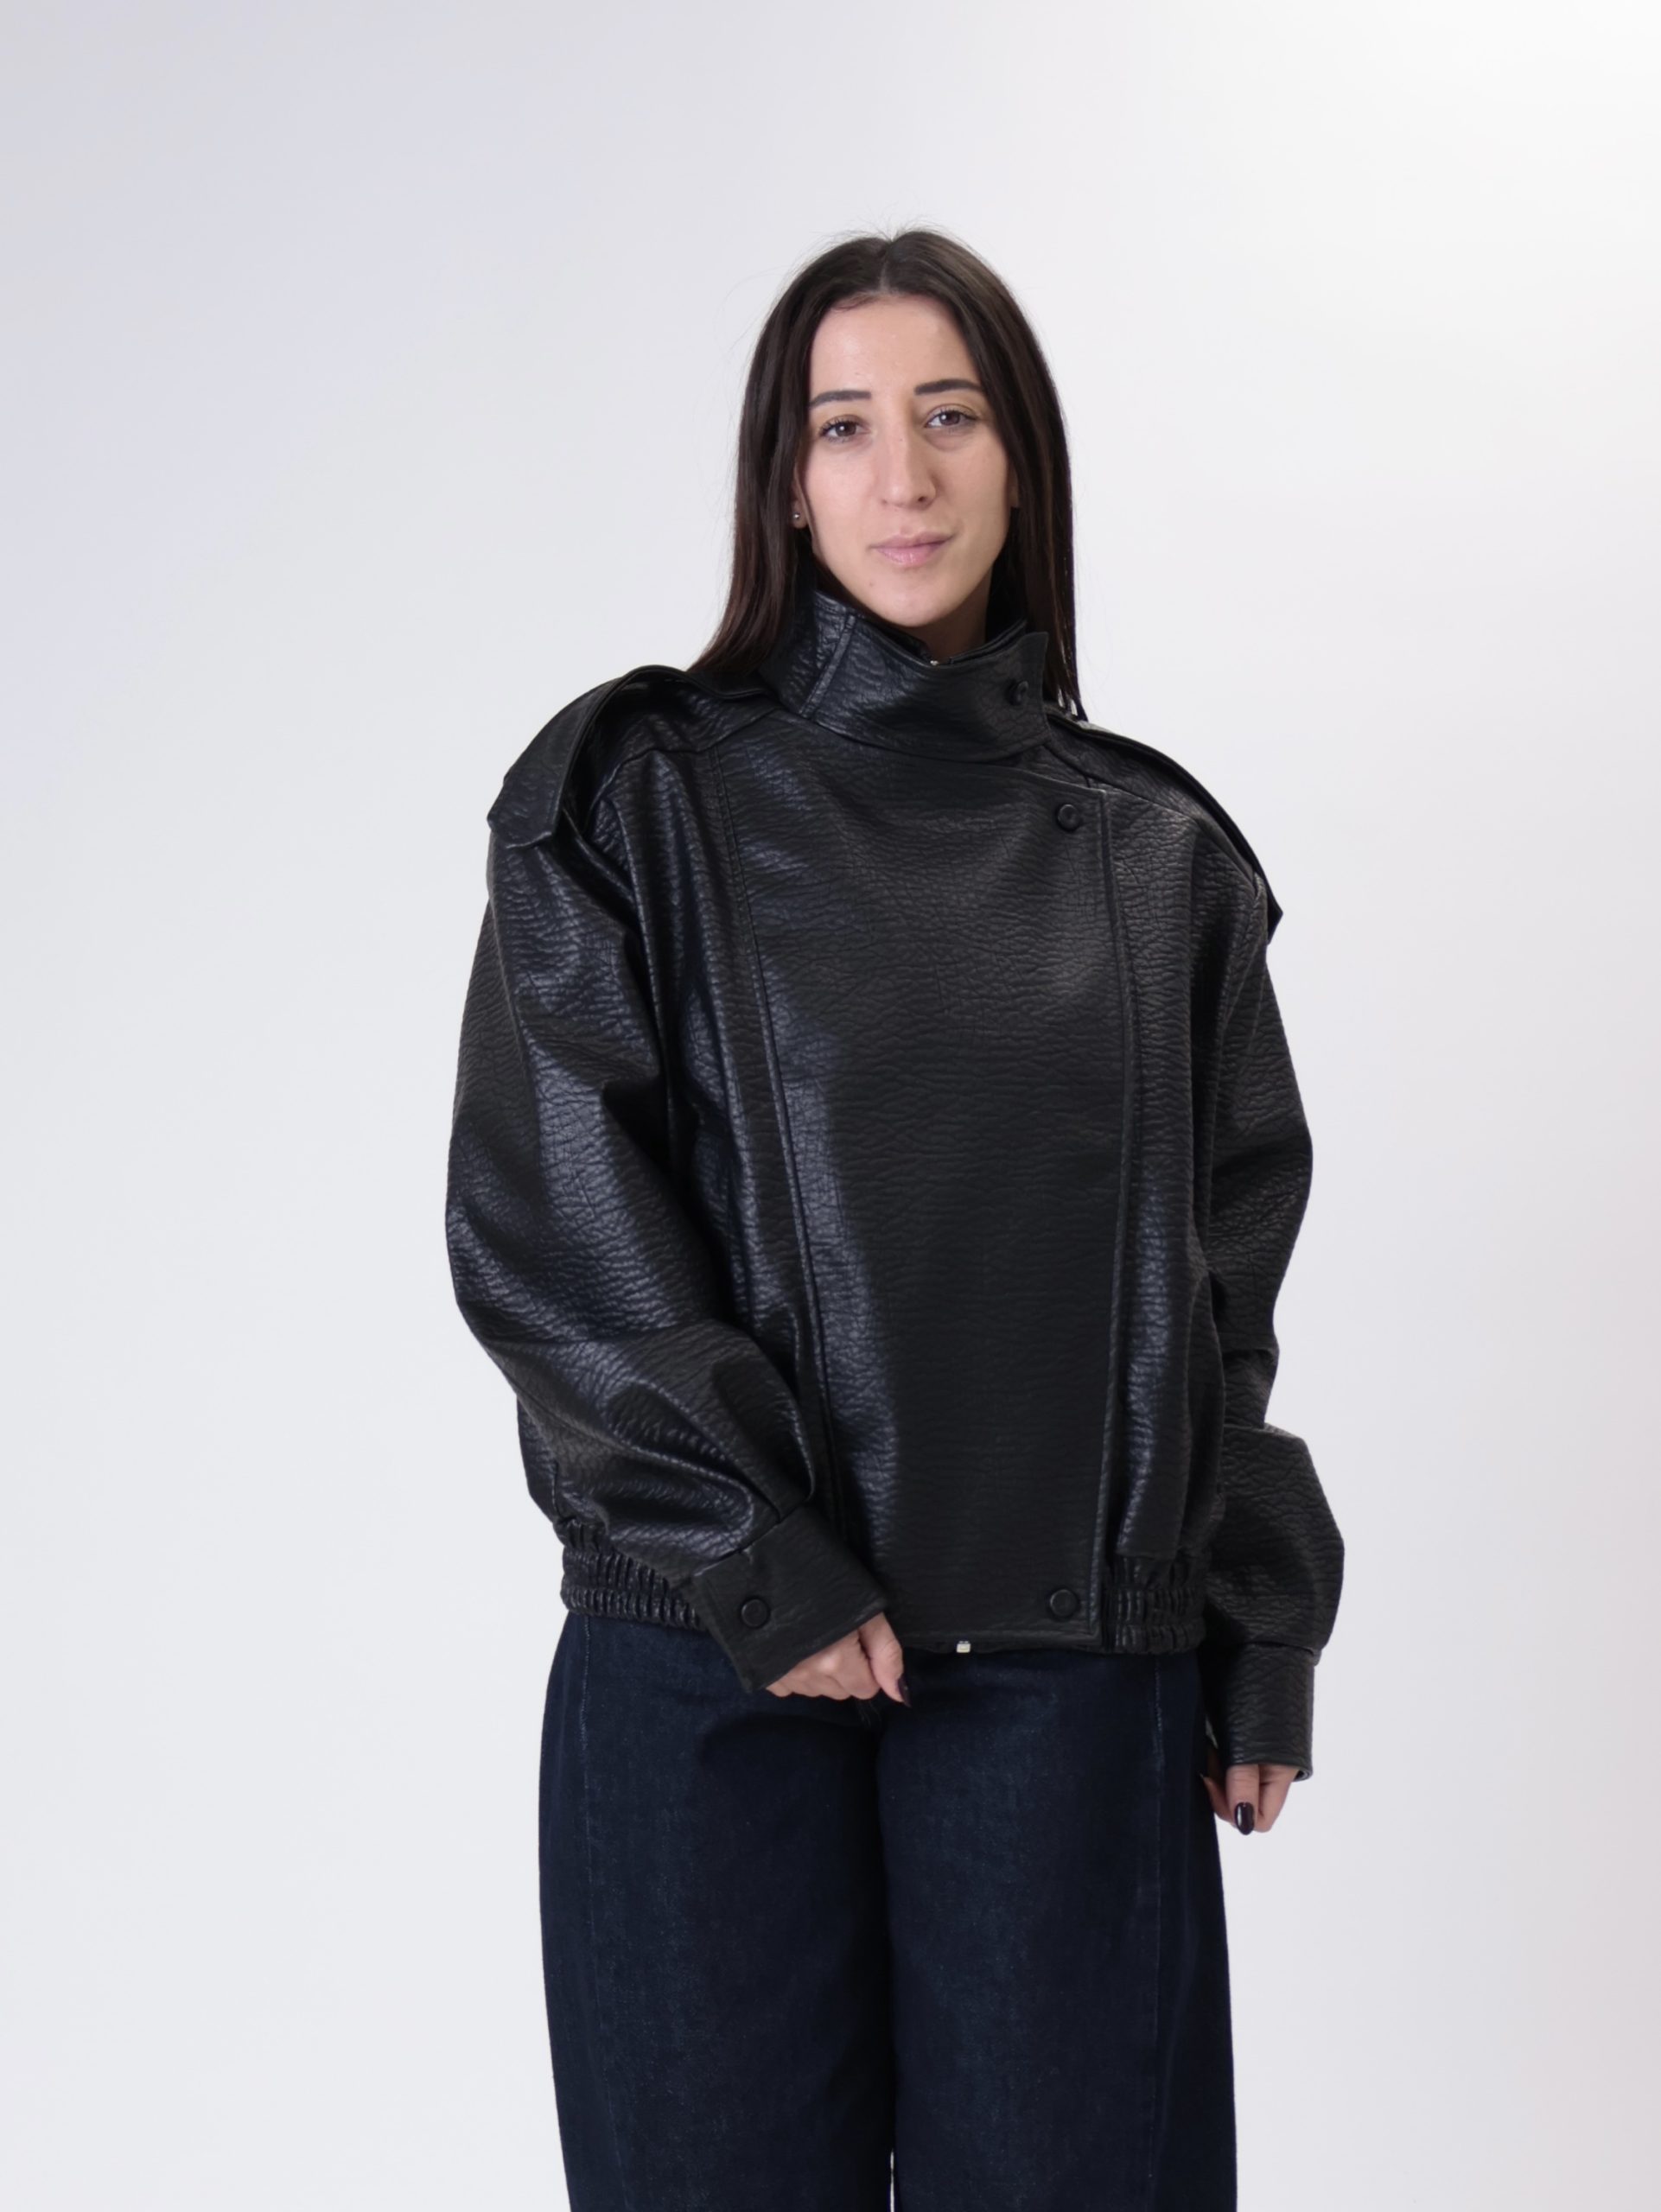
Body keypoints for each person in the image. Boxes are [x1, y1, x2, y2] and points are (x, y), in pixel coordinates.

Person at [444, 226, 1345, 2212]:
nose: (903, 475)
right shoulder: (627, 800)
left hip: (1068, 1684)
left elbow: (1216, 1294)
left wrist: (1252, 1616)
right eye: (843, 425)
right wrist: (756, 1552)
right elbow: (553, 1227)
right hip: (716, 1658)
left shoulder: (1164, 857)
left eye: (949, 415)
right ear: (782, 477)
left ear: (1023, 455)